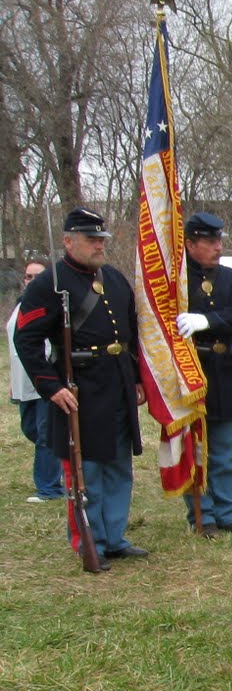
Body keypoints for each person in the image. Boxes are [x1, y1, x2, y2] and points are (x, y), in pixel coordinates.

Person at [13, 207, 146, 568]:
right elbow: (26, 339)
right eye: (91, 239)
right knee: (86, 468)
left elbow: (130, 337)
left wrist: (135, 378)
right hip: (80, 390)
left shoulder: (115, 279)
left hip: (116, 383)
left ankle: (115, 537)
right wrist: (51, 386)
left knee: (118, 464)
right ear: (69, 241)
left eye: (101, 239)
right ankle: (92, 542)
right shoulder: (49, 284)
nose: (98, 245)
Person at [177, 212, 232, 536]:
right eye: (210, 241)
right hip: (190, 370)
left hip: (222, 371)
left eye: (219, 240)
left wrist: (207, 321)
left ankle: (226, 512)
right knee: (196, 448)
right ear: (191, 243)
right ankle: (202, 514)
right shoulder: (177, 281)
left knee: (226, 447)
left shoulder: (231, 279)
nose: (218, 247)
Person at [8, 257, 65, 504]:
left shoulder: (49, 307)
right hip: (22, 382)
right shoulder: (20, 305)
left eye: (37, 276)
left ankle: (49, 488)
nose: (31, 281)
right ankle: (61, 465)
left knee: (45, 434)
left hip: (43, 382)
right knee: (30, 429)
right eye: (28, 276)